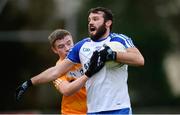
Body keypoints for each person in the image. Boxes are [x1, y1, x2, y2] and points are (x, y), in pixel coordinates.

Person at [16, 7, 144, 114]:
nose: (90, 23)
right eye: (89, 20)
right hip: (93, 110)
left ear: (108, 23)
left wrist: (113, 55)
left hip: (119, 108)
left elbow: (139, 59)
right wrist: (29, 82)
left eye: (95, 19)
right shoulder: (81, 46)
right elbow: (55, 72)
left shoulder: (120, 40)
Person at [48, 29, 87, 114]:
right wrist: (88, 74)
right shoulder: (57, 71)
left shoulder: (85, 55)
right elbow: (66, 90)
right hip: (73, 112)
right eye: (61, 46)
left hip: (96, 109)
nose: (67, 48)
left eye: (69, 43)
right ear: (54, 50)